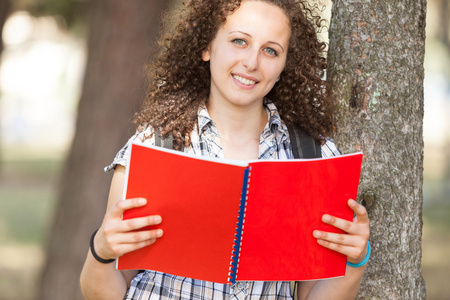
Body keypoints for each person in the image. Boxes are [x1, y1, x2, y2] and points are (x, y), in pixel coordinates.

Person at [80, 0, 370, 299]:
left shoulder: (316, 159)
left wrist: (354, 260)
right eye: (239, 41)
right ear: (207, 48)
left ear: (285, 65)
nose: (252, 63)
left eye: (270, 50)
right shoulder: (151, 148)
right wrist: (101, 251)